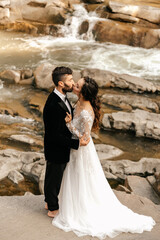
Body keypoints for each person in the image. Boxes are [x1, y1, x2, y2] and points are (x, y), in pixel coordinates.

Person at [52, 76, 156, 239]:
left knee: (84, 178)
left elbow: (85, 140)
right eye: (76, 83)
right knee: (74, 177)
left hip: (82, 151)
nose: (74, 86)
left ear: (84, 92)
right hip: (74, 148)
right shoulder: (78, 101)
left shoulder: (87, 112)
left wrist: (69, 125)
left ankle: (83, 210)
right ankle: (72, 205)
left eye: (77, 86)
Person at [43, 67, 90, 218]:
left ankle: (48, 201)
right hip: (56, 148)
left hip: (60, 147)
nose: (73, 82)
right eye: (70, 80)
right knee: (54, 179)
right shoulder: (52, 104)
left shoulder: (62, 97)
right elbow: (54, 136)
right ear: (61, 83)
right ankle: (52, 208)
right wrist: (76, 144)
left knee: (53, 177)